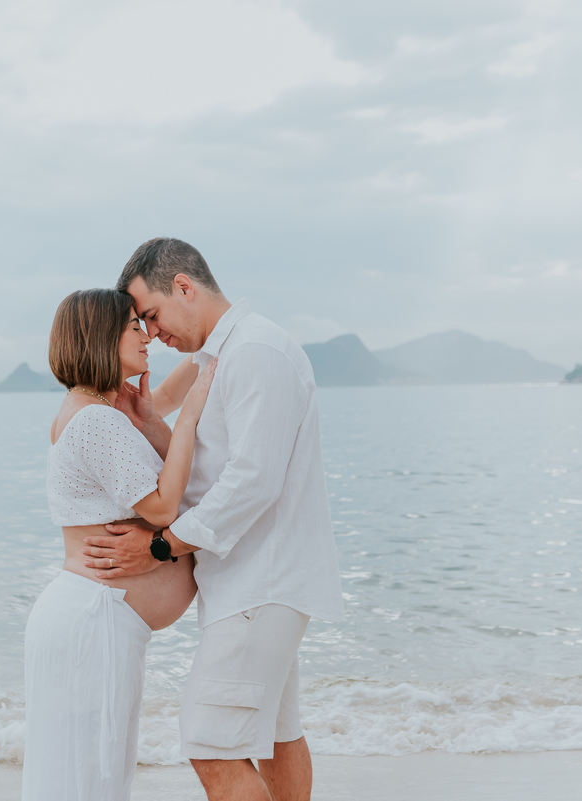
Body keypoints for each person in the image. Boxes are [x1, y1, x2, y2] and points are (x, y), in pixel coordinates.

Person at [81, 238, 344, 801]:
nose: (152, 334)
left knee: (209, 745)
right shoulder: (224, 354)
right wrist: (149, 418)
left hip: (261, 584)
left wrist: (160, 547)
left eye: (150, 316)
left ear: (184, 287)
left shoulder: (255, 352)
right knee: (275, 737)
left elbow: (252, 482)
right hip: (255, 584)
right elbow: (206, 465)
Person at [22, 288, 216, 801]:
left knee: (93, 776)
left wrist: (154, 417)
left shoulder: (95, 412)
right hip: (94, 623)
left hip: (97, 621)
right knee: (89, 779)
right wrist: (189, 418)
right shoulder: (95, 419)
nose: (146, 334)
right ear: (100, 337)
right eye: (134, 325)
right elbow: (161, 508)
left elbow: (171, 481)